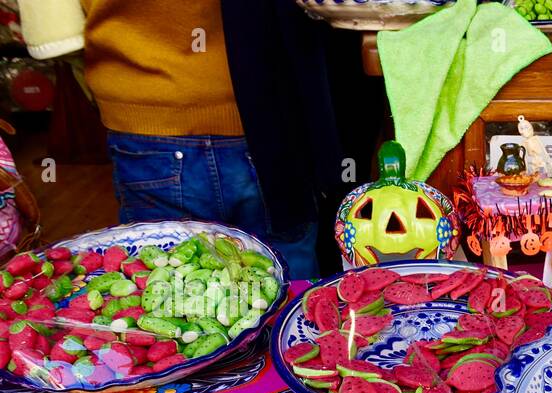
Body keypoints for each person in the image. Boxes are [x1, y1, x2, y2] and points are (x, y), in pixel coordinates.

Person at [19, 0, 338, 278]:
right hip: (272, 109)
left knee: (171, 288)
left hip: (147, 112)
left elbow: (53, 36)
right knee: (288, 279)